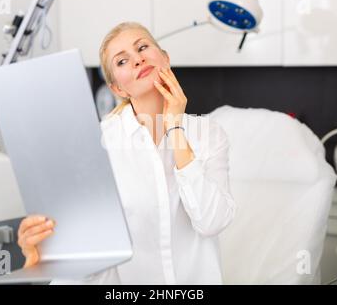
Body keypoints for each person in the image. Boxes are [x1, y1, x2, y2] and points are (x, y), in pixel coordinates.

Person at [17, 22, 236, 284]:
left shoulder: (208, 134)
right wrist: (43, 254)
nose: (137, 59)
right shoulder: (98, 145)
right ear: (118, 89)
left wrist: (175, 128)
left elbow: (211, 221)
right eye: (122, 61)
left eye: (142, 47)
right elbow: (88, 251)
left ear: (164, 58)